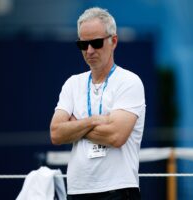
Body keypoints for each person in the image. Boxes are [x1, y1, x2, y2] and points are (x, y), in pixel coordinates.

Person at [50, 7, 146, 200]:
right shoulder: (72, 83)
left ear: (114, 41)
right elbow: (56, 133)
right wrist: (94, 121)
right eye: (83, 45)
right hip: (78, 189)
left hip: (118, 188)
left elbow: (116, 136)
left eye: (96, 43)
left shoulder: (129, 81)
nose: (90, 50)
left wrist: (76, 124)